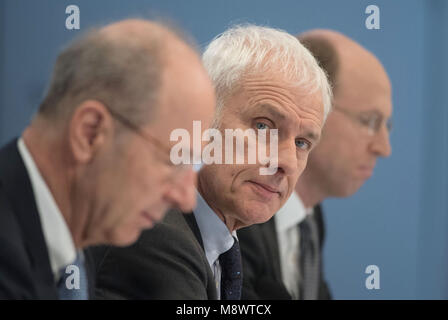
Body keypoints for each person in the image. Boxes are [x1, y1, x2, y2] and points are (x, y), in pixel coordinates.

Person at [92, 24, 331, 300]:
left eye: (302, 143)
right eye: (264, 127)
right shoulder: (156, 233)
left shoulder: (218, 243)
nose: (286, 162)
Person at [0, 19, 215, 299]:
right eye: (175, 161)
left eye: (194, 164)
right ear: (90, 134)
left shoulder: (77, 247)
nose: (186, 198)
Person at [239, 29, 392, 300]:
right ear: (312, 108)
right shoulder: (241, 214)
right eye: (369, 121)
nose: (383, 148)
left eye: (386, 126)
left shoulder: (309, 221)